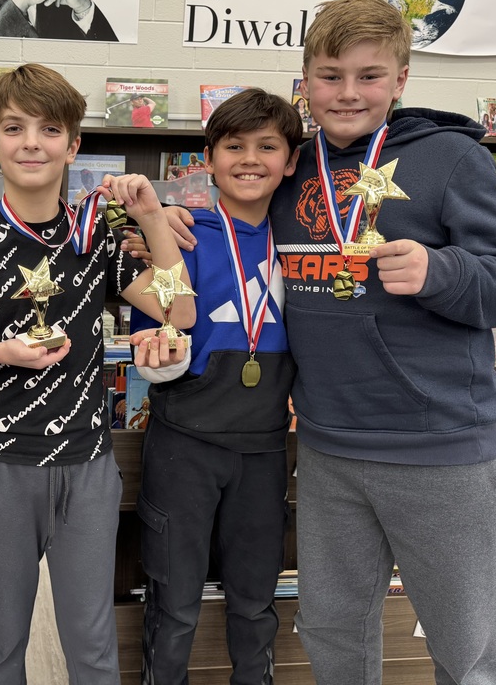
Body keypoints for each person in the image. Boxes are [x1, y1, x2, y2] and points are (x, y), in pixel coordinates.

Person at [0, 63, 195, 685]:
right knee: (2, 643)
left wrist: (154, 219)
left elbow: (178, 311)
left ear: (73, 145)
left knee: (92, 644)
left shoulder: (95, 238)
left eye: (50, 129)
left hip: (88, 467)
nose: (31, 142)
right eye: (13, 128)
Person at [268, 0, 496, 684]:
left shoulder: (450, 158)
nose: (348, 93)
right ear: (304, 80)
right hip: (330, 447)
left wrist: (438, 269)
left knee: (468, 651)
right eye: (330, 74)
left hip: (441, 451)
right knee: (331, 635)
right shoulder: (286, 165)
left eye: (369, 75)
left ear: (401, 79)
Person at [129, 88, 302, 685]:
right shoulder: (182, 236)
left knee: (255, 603)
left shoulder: (307, 245)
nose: (249, 158)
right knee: (173, 605)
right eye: (234, 145)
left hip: (264, 450)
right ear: (208, 157)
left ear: (291, 160)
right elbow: (156, 347)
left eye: (267, 146)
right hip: (184, 446)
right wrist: (161, 359)